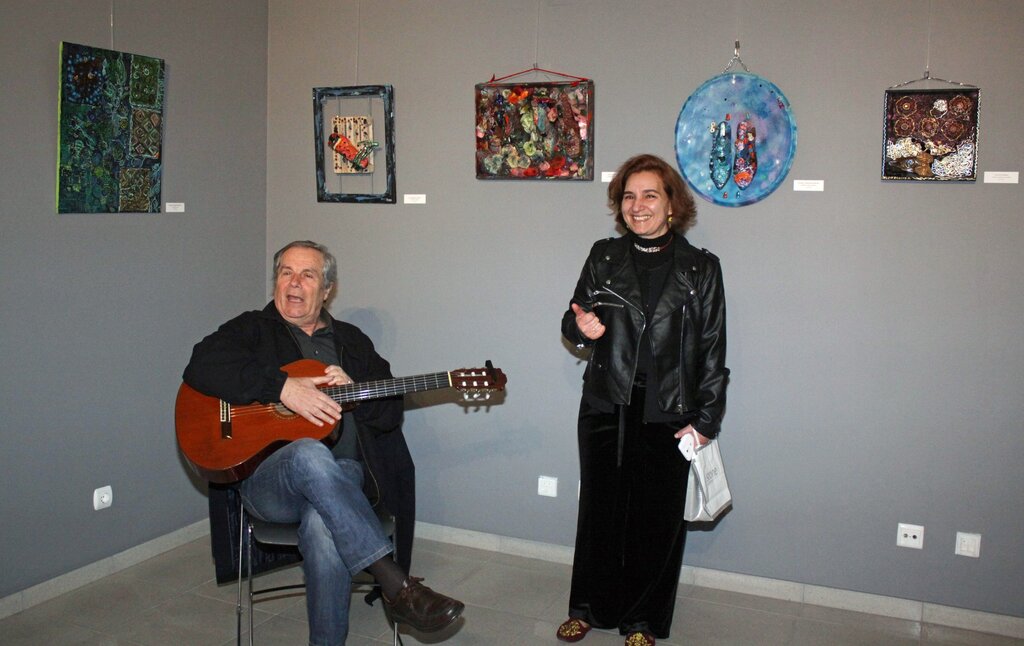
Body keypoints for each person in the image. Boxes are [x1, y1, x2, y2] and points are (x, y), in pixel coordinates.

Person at [182, 240, 464, 646]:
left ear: (327, 289)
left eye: (307, 275)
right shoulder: (252, 329)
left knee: (323, 525)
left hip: (346, 479)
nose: (294, 283)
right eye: (286, 273)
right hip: (270, 483)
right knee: (309, 452)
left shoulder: (352, 342)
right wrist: (283, 388)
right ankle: (395, 584)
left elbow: (390, 416)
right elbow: (201, 364)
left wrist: (358, 393)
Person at [557, 155, 729, 646]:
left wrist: (707, 420)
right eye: (629, 196)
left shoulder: (701, 268)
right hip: (606, 405)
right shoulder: (604, 257)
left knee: (656, 522)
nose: (638, 206)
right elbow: (573, 319)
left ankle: (642, 621)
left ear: (671, 204)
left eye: (650, 195)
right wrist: (582, 328)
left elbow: (713, 349)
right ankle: (590, 608)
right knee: (599, 512)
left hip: (669, 411)